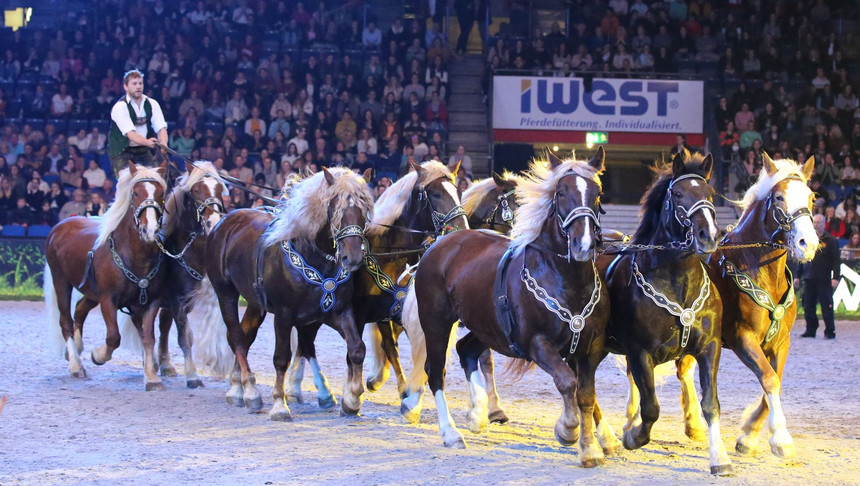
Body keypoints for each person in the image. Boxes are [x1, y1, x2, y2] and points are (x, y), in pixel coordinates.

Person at [108, 69, 168, 174]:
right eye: (134, 83)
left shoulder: (152, 104)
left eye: (140, 83)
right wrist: (148, 142)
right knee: (128, 181)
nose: (138, 86)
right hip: (122, 152)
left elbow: (161, 127)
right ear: (125, 86)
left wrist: (164, 143)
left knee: (157, 177)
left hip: (143, 151)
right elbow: (131, 134)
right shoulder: (120, 107)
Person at [797, 214, 841, 339]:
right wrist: (797, 276)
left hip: (824, 278)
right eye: (814, 222)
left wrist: (835, 277)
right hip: (809, 277)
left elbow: (836, 261)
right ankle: (810, 329)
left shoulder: (830, 240)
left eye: (818, 222)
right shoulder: (807, 239)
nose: (816, 225)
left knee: (826, 305)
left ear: (824, 224)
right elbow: (802, 257)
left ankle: (830, 331)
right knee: (808, 305)